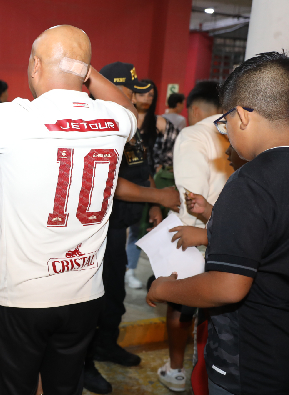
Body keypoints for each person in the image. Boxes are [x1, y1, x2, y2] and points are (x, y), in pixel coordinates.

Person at [0, 19, 139, 394]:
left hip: (22, 300)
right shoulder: (115, 119)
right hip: (84, 295)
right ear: (84, 71)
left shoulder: (19, 118)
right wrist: (83, 66)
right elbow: (125, 102)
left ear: (35, 66)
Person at [147, 51, 289, 395]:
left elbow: (228, 286)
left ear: (242, 116)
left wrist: (165, 289)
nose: (226, 135)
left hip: (251, 365)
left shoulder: (250, 182)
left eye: (224, 123)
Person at [83, 62, 181, 394]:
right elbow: (111, 182)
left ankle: (106, 345)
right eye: (129, 88)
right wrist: (160, 196)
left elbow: (141, 170)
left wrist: (153, 203)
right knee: (90, 299)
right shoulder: (100, 123)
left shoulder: (127, 121)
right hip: (95, 228)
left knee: (114, 292)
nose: (135, 95)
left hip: (119, 224)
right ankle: (84, 363)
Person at [156, 81, 232, 392]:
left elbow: (192, 197)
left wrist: (189, 234)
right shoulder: (240, 132)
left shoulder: (193, 135)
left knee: (180, 301)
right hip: (231, 235)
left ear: (196, 109)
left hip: (198, 235)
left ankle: (176, 370)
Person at [124, 78, 180, 290]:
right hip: (124, 181)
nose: (147, 97)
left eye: (150, 94)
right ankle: (127, 269)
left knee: (144, 229)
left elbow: (176, 148)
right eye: (142, 93)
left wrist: (162, 169)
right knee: (126, 229)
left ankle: (132, 270)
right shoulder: (124, 119)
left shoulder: (160, 124)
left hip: (150, 183)